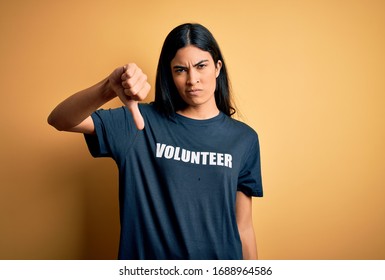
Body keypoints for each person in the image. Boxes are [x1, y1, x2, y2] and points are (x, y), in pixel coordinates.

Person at [48, 23, 263, 260]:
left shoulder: (244, 139)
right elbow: (60, 119)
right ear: (170, 75)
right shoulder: (138, 122)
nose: (193, 79)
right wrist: (108, 87)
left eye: (202, 66)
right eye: (180, 70)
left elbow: (243, 227)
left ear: (217, 68)